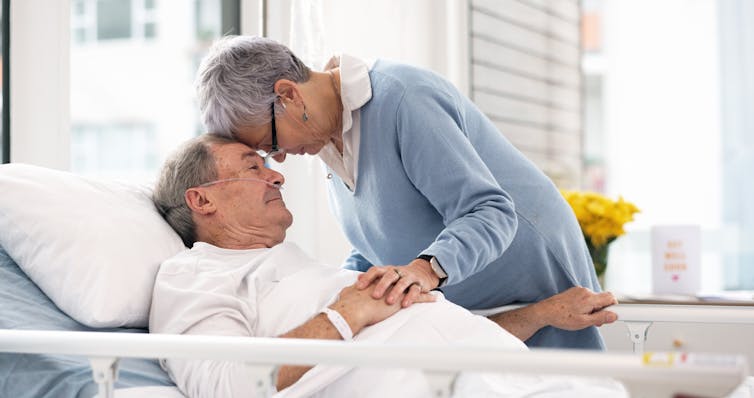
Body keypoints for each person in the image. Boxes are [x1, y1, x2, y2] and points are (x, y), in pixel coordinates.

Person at [194, 36, 605, 350]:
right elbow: (380, 240)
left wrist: (423, 271)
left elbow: (491, 211)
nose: (279, 161)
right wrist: (346, 288)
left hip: (531, 280)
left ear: (288, 95)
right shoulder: (328, 142)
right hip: (468, 305)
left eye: (271, 143)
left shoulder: (403, 99)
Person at [150, 135, 619, 397]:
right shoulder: (194, 276)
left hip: (505, 375)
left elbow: (419, 329)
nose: (276, 173)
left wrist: (540, 315)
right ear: (201, 199)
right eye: (252, 167)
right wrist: (345, 314)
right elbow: (225, 385)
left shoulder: (303, 269)